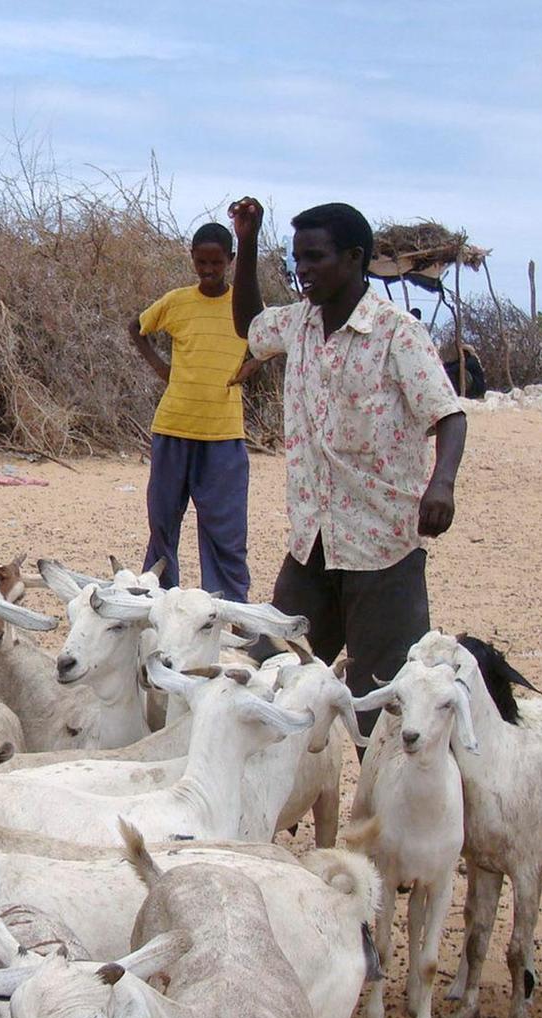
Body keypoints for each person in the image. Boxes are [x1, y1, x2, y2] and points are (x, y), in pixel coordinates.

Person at [229, 197, 468, 725]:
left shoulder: (397, 333)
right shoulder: (298, 325)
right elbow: (250, 324)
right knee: (275, 685)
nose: (303, 270)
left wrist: (441, 485)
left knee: (381, 707)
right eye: (297, 259)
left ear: (355, 257)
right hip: (311, 544)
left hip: (382, 550)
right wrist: (247, 242)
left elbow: (450, 415)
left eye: (315, 257)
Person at [126, 221, 255, 598]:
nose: (209, 271)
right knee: (163, 525)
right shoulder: (177, 301)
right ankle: (159, 602)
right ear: (193, 260)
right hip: (173, 428)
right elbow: (136, 328)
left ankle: (230, 609)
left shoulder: (244, 306)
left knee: (226, 532)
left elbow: (272, 338)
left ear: (231, 260)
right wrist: (160, 367)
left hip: (224, 435)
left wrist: (252, 364)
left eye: (217, 263)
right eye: (201, 263)